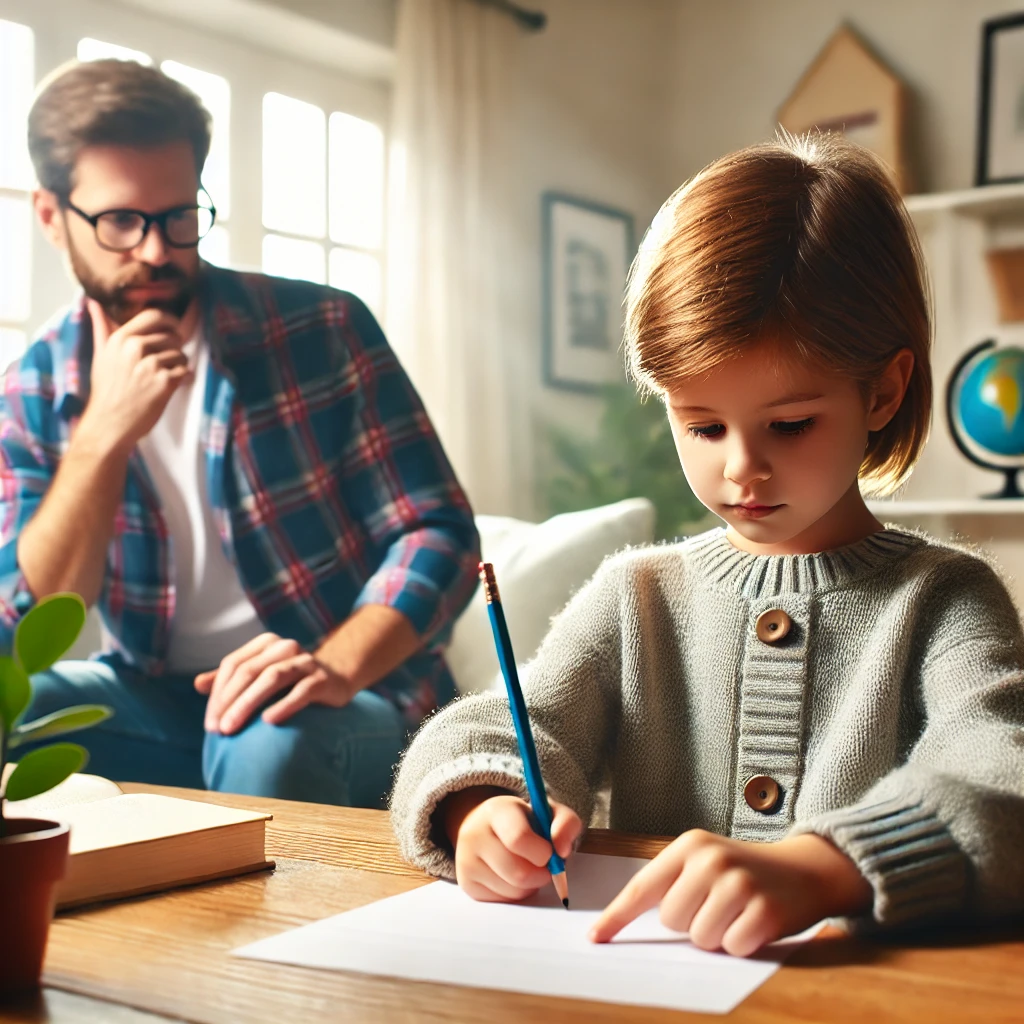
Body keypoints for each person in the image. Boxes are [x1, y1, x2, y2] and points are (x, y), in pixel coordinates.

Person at [389, 134, 1024, 955]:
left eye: (790, 424)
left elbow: (1004, 778)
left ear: (884, 390)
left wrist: (829, 866)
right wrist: (480, 808)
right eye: (702, 424)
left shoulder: (945, 600)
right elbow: (508, 726)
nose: (742, 468)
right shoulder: (637, 594)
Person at [0, 58, 480, 808]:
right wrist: (102, 434)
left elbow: (440, 533)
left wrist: (332, 666)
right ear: (52, 217)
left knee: (268, 740)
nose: (157, 250)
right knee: (15, 714)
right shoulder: (30, 392)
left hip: (338, 695)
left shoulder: (322, 328)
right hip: (158, 702)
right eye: (121, 221)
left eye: (179, 216)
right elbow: (39, 620)